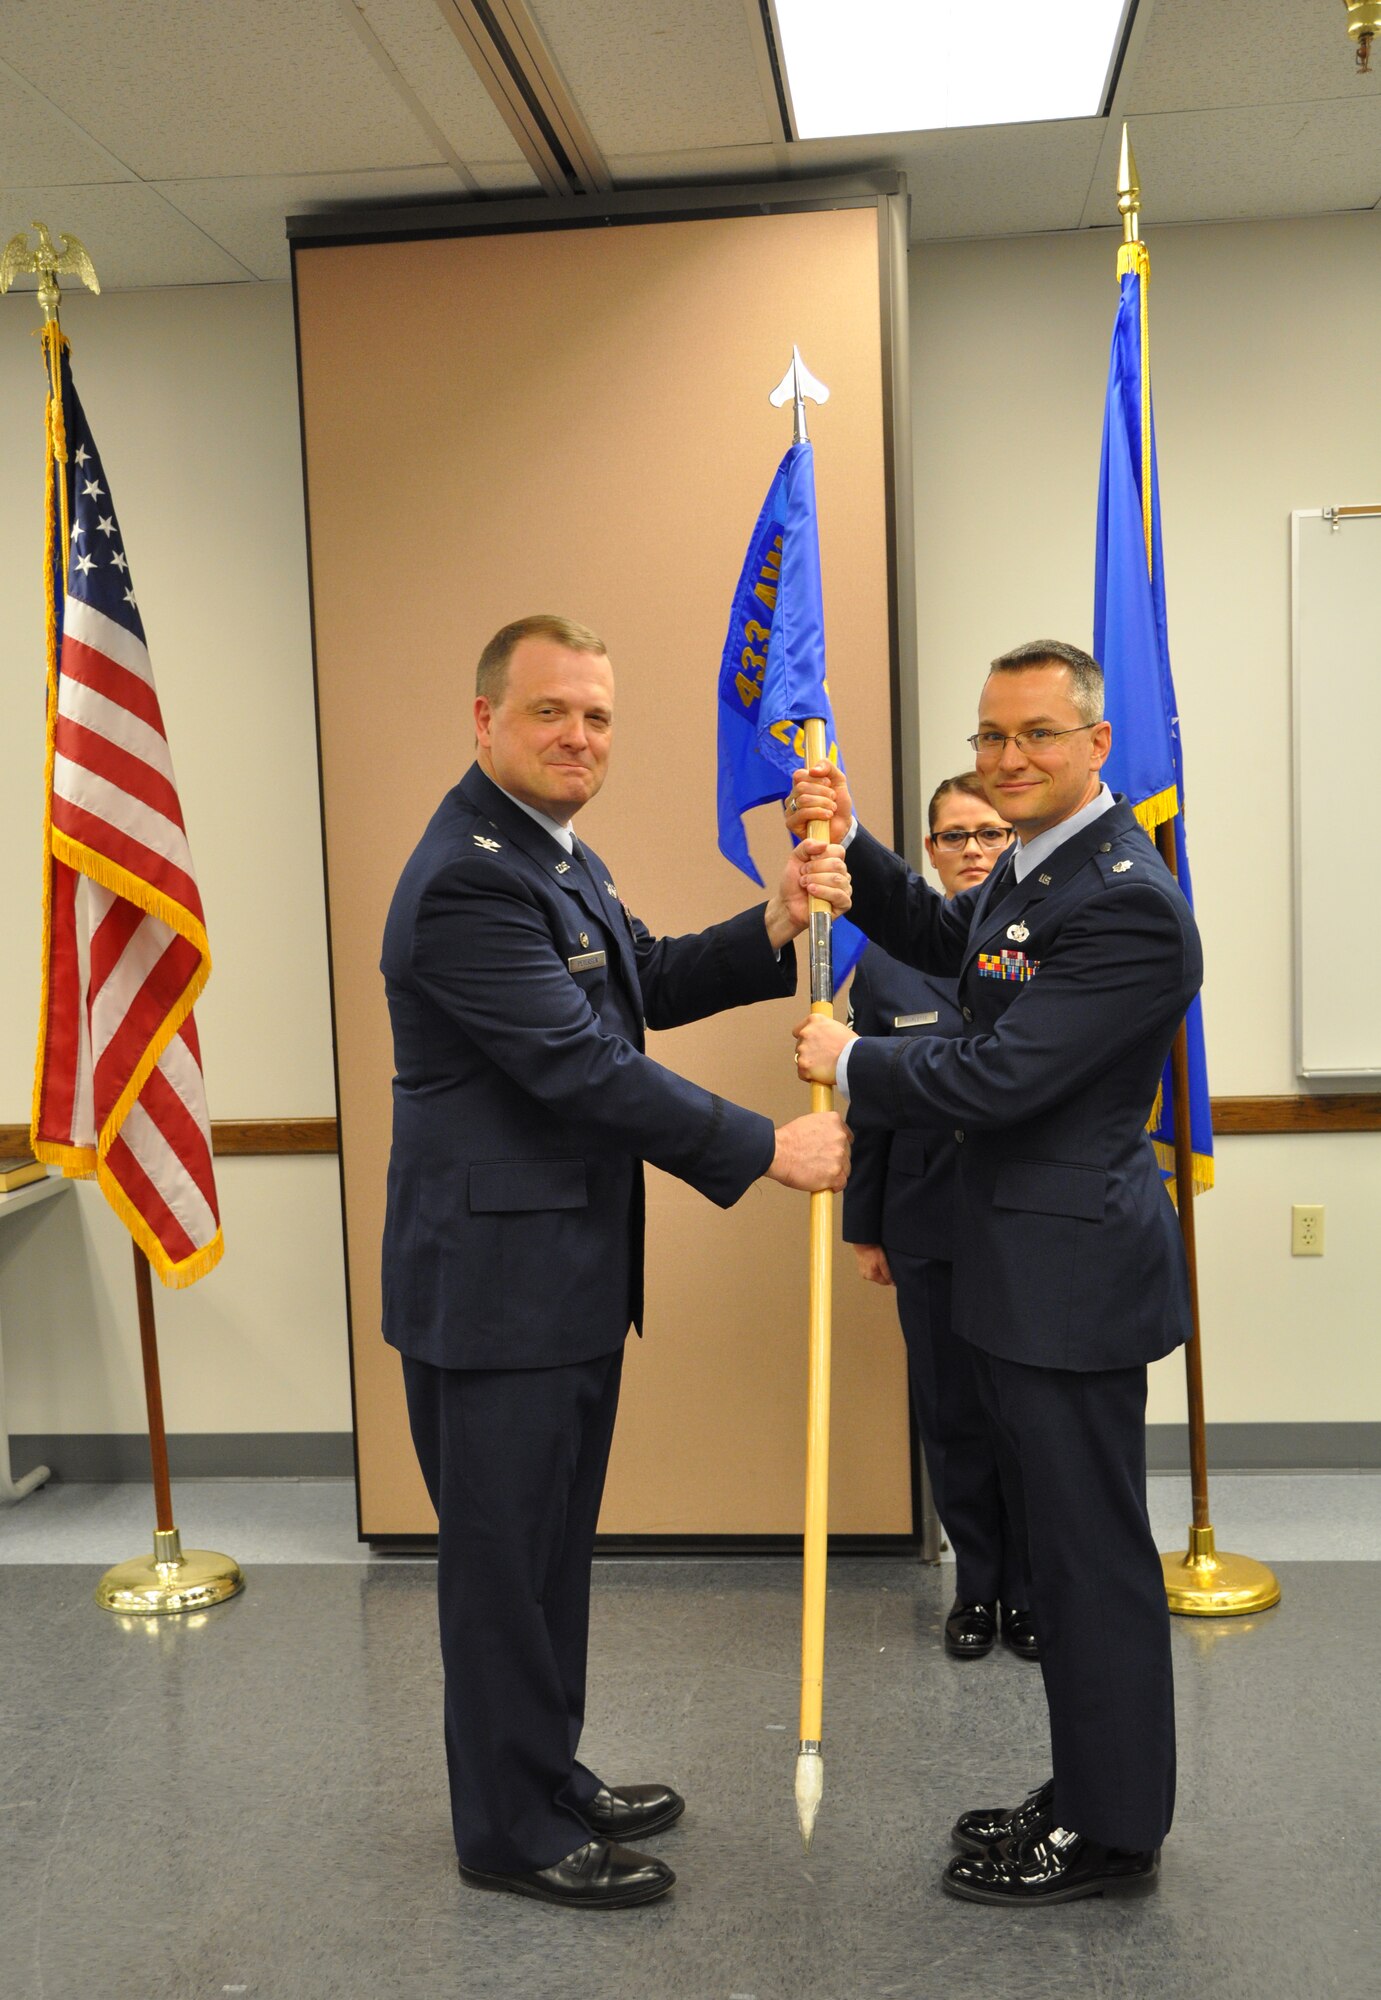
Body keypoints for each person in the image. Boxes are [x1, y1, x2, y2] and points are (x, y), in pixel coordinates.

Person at [381, 614, 852, 1913]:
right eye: (551, 712)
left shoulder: (549, 856)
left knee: (546, 1556)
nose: (579, 736)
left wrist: (773, 920)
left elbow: (638, 975)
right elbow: (583, 1071)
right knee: (500, 1569)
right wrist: (770, 1146)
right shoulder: (471, 877)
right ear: (486, 720)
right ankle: (507, 1831)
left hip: (562, 1279)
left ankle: (544, 1771)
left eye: (597, 715)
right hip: (494, 1292)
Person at [790, 638, 1201, 1907]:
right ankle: (1087, 1787)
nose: (1006, 759)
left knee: (1086, 1560)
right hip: (1022, 1267)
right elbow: (943, 933)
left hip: (1067, 1278)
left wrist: (849, 1060)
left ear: (1095, 747)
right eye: (988, 737)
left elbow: (1006, 1072)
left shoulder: (1125, 896)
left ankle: (1112, 1830)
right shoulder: (1041, 870)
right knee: (1065, 1550)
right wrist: (856, 845)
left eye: (1033, 735)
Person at [842, 772, 1037, 1664]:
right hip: (924, 1219)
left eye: (989, 834)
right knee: (951, 1413)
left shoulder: (1041, 942)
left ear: (1011, 844)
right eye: (953, 835)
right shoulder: (883, 961)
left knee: (1025, 1416)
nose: (972, 849)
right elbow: (869, 1103)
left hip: (1019, 1219)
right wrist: (866, 1226)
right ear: (928, 851)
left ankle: (1032, 1591)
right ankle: (977, 1588)